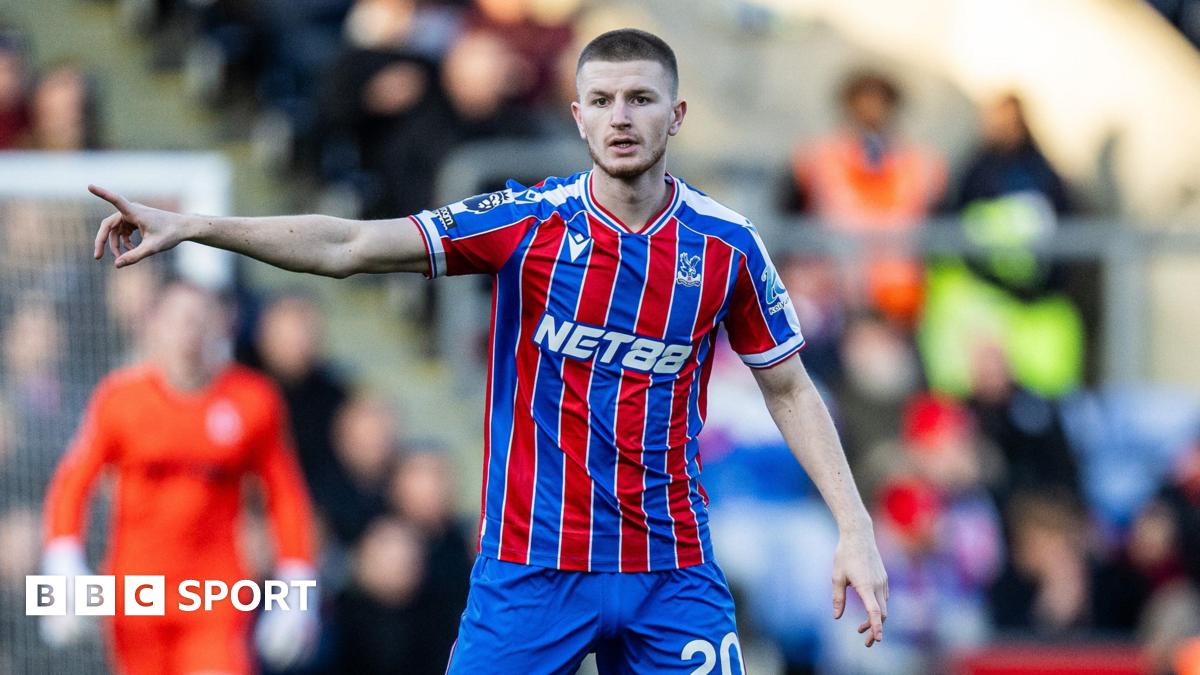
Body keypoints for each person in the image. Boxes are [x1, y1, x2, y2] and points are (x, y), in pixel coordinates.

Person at [87, 28, 888, 673]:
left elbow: (788, 387)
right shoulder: (528, 221)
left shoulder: (728, 246)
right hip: (532, 568)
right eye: (602, 100)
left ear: (676, 116)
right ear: (576, 117)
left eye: (641, 99)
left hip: (673, 569)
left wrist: (853, 526)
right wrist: (199, 225)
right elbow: (347, 244)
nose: (621, 117)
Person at [40, 281, 320, 675]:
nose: (188, 332)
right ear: (153, 326)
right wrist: (63, 559)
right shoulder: (119, 400)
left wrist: (296, 579)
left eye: (199, 319)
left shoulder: (253, 401)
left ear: (220, 327)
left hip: (214, 595)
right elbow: (73, 482)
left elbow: (285, 494)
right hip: (135, 595)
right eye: (176, 320)